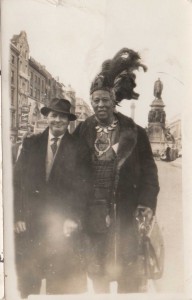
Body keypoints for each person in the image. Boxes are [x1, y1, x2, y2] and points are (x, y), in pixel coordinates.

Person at [74, 48, 160, 293]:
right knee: (98, 275)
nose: (100, 104)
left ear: (114, 100)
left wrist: (146, 203)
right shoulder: (82, 131)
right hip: (94, 215)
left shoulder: (135, 131)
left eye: (105, 99)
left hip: (126, 216)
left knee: (128, 277)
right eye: (96, 100)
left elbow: (150, 175)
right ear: (91, 102)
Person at [14, 98, 87, 298]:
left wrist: (73, 218)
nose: (57, 120)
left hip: (62, 224)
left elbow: (83, 188)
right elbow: (16, 182)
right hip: (30, 223)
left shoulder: (80, 148)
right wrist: (18, 216)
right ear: (47, 117)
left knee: (59, 282)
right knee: (28, 280)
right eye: (54, 115)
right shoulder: (30, 144)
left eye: (62, 116)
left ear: (68, 121)